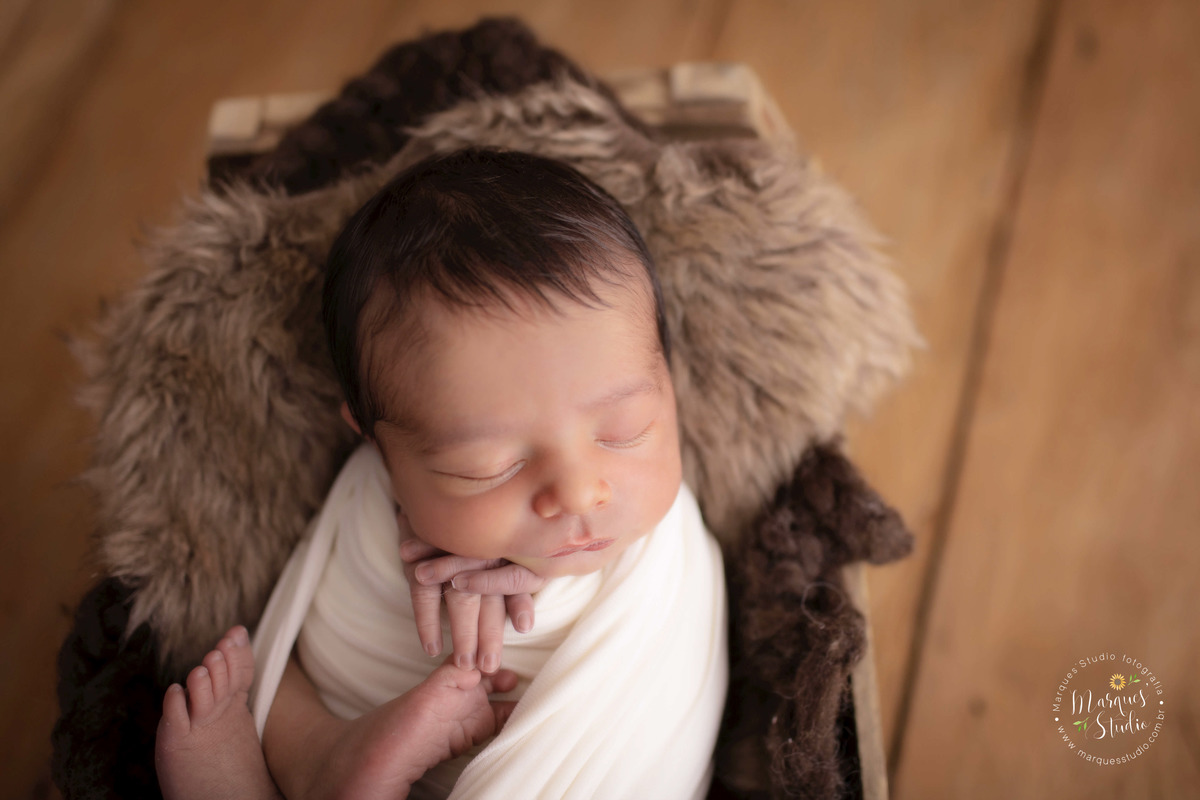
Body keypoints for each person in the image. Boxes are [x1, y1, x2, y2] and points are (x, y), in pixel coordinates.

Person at [154, 146, 728, 799]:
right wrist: (425, 526)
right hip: (372, 686)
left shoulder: (665, 555)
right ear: (376, 447)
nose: (578, 491)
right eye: (487, 467)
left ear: (669, 384)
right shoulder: (374, 504)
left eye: (624, 431)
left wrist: (534, 572)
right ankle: (314, 748)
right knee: (258, 667)